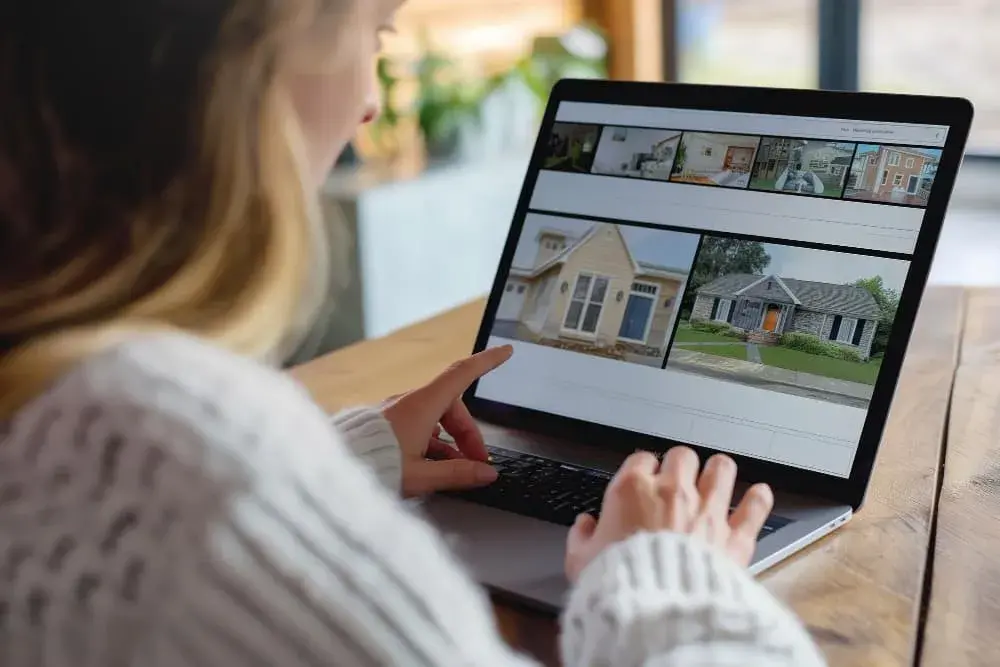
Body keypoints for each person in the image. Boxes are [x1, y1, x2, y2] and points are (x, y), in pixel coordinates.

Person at [0, 1, 827, 665]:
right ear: (244, 61)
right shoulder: (188, 463)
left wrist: (333, 462)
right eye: (375, 30)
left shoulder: (58, 398)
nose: (369, 100)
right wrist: (670, 581)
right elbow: (198, 501)